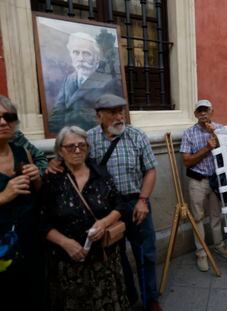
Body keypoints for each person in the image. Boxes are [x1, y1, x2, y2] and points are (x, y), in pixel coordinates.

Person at [47, 94, 162, 310]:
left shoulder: (137, 136)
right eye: (113, 112)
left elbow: (150, 170)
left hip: (136, 203)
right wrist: (55, 161)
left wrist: (143, 200)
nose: (119, 116)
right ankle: (129, 296)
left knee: (145, 253)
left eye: (121, 111)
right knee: (117, 255)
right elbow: (74, 155)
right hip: (106, 210)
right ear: (99, 115)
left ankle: (150, 299)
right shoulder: (88, 139)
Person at [40, 126, 130, 310]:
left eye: (82, 145)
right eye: (70, 146)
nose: (77, 150)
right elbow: (41, 221)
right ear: (60, 151)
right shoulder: (52, 180)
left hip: (104, 261)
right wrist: (66, 243)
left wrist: (104, 223)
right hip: (69, 264)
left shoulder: (100, 174)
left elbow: (121, 205)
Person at [0, 96, 44, 309]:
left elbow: (38, 195)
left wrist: (37, 178)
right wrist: (3, 196)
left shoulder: (23, 152)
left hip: (29, 240)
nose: (3, 122)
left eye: (8, 117)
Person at [180, 99, 227, 272]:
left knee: (216, 215)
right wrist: (206, 148)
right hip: (198, 181)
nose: (203, 114)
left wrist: (215, 135)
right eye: (199, 111)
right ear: (195, 114)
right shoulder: (189, 133)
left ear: (211, 112)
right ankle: (201, 252)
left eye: (206, 110)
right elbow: (186, 161)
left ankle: (219, 245)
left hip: (216, 180)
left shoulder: (221, 129)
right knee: (198, 217)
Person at [48, 32, 122, 135]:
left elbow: (112, 116)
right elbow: (57, 112)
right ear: (71, 55)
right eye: (76, 52)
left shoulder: (108, 82)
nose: (80, 59)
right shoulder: (69, 79)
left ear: (96, 57)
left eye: (86, 53)